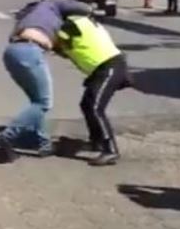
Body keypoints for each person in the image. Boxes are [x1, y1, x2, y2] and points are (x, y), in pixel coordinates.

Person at [0, 0, 94, 162]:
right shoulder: (52, 4)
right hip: (30, 50)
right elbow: (84, 8)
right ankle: (8, 135)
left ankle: (44, 144)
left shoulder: (27, 19)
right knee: (44, 103)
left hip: (12, 52)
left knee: (36, 101)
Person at [54, 15, 131, 166]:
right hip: (102, 68)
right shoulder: (83, 22)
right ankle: (97, 142)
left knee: (95, 108)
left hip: (109, 67)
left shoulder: (72, 25)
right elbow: (65, 47)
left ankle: (110, 150)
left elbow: (60, 40)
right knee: (86, 104)